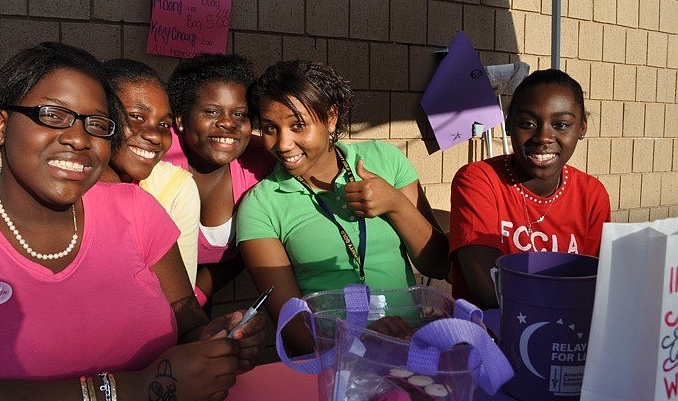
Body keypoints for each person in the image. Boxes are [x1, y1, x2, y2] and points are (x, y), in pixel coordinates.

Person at [0, 42, 266, 401]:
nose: (79, 139)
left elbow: (186, 321)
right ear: (1, 124)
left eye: (97, 124)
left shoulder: (137, 210)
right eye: (54, 115)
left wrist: (218, 340)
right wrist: (141, 393)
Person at [236, 60, 450, 356]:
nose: (284, 144)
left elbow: (439, 264)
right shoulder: (261, 205)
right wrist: (358, 342)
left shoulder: (384, 160)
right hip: (333, 365)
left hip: (414, 350)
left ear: (331, 117)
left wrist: (396, 205)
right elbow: (295, 333)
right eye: (271, 128)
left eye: (298, 125)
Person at [449, 68, 611, 309]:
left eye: (561, 124)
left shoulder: (591, 194)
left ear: (582, 128)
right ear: (508, 125)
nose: (544, 136)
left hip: (567, 333)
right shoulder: (479, 180)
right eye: (527, 123)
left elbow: (593, 285)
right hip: (490, 335)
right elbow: (490, 291)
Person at [164, 53, 274, 307]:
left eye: (240, 114)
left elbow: (245, 248)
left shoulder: (261, 162)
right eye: (212, 111)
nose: (227, 123)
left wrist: (196, 299)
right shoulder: (158, 156)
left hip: (200, 295)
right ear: (181, 119)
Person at [100, 58, 200, 287]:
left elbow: (181, 300)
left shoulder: (175, 188)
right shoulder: (64, 189)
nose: (155, 136)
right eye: (136, 116)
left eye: (164, 125)